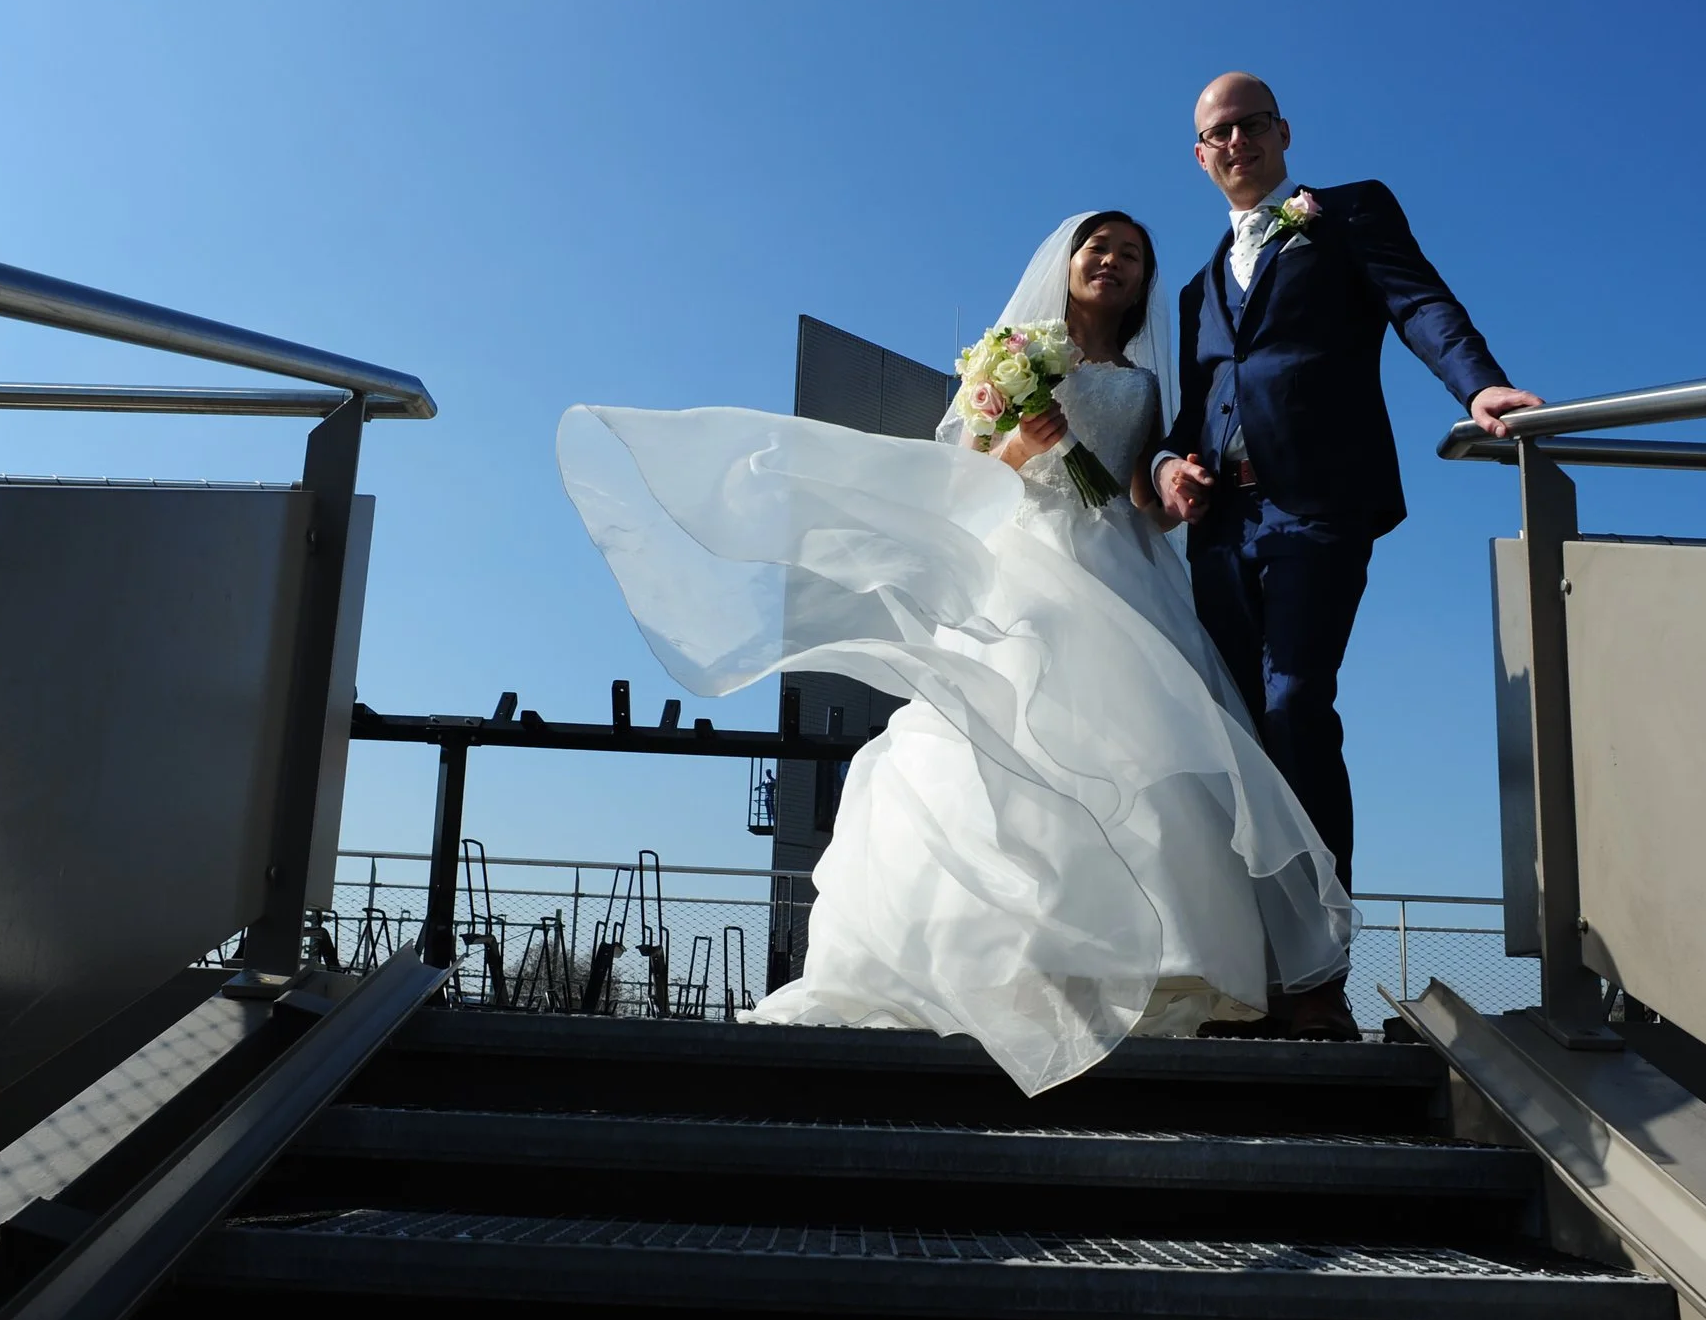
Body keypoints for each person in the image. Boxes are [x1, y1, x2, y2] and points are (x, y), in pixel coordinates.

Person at [558, 211, 1356, 1094]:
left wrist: (1177, 492)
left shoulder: (1143, 382)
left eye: (1132, 256)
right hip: (1030, 565)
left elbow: (1139, 498)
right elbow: (967, 472)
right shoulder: (1011, 352)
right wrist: (1023, 442)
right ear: (1069, 261)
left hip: (1124, 575)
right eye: (1101, 248)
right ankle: (1022, 969)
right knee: (1006, 744)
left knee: (1152, 758)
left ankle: (1164, 966)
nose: (1115, 263)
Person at [1154, 72, 1540, 1040]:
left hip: (1315, 503)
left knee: (1293, 706)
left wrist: (1479, 383)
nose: (1232, 142)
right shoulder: (1197, 285)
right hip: (1221, 526)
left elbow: (1418, 302)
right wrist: (1168, 465)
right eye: (1214, 134)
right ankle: (1246, 974)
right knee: (1234, 742)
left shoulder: (1346, 212)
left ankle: (1318, 977)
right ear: (1199, 156)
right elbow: (1192, 400)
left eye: (1247, 125)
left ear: (1281, 132)